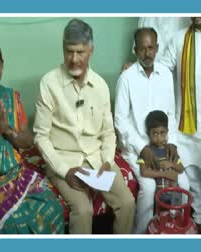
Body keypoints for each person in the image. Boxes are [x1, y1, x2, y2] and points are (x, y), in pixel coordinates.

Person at [33, 18, 135, 234]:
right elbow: (40, 137)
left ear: (91, 51)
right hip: (64, 160)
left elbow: (108, 133)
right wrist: (64, 170)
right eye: (69, 51)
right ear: (63, 49)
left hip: (97, 159)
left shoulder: (100, 85)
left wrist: (107, 162)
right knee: (83, 210)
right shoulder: (48, 83)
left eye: (80, 52)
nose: (74, 58)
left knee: (127, 203)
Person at [0, 37, 64, 234]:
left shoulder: (11, 97)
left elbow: (27, 141)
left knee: (53, 207)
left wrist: (7, 130)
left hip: (15, 172)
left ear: (2, 65)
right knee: (13, 224)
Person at [114, 27, 189, 234]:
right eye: (142, 49)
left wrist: (172, 142)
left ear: (156, 48)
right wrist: (142, 148)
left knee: (183, 183)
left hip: (164, 146)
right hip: (138, 147)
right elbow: (119, 120)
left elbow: (171, 114)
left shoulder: (165, 74)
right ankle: (141, 234)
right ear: (135, 49)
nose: (147, 53)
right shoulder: (126, 78)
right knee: (148, 189)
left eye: (151, 48)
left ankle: (172, 228)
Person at [161, 17, 201, 233]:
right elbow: (161, 67)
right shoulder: (179, 38)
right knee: (191, 179)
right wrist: (137, 66)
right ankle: (198, 217)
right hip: (185, 125)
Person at [137, 110, 187, 206]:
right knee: (161, 217)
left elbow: (181, 168)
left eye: (162, 133)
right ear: (148, 133)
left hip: (175, 194)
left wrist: (171, 164)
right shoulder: (147, 152)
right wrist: (164, 174)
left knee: (175, 216)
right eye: (155, 134)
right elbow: (144, 172)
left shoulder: (171, 150)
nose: (159, 138)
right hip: (159, 194)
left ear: (167, 132)